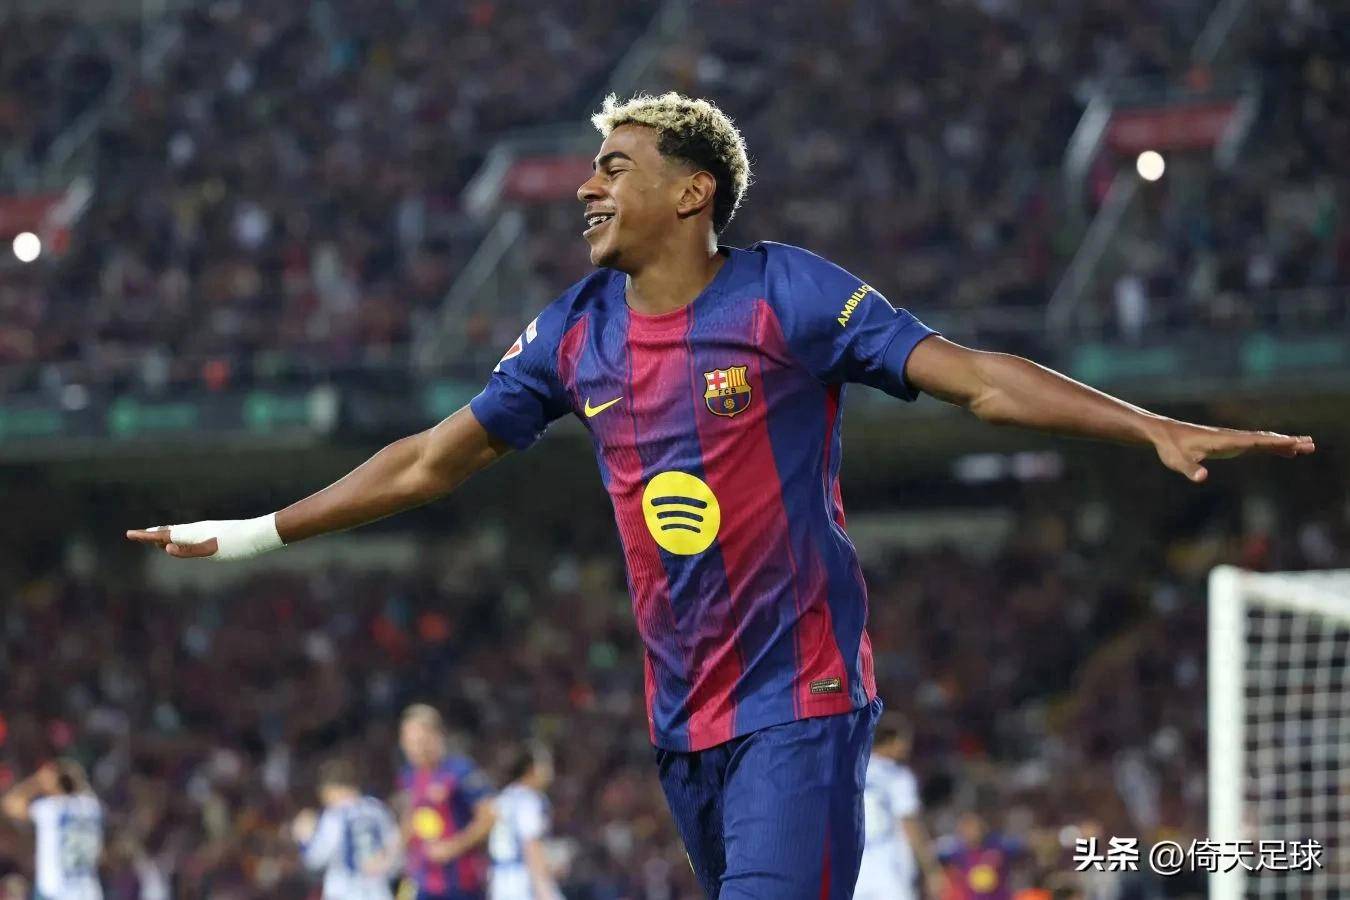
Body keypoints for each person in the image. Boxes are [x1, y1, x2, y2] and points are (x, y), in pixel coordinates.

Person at [128, 91, 1315, 898]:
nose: (587, 188)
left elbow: (977, 381)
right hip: (681, 722)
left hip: (799, 699)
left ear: (692, 191)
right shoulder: (573, 330)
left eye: (614, 167)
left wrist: (1147, 424)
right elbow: (433, 459)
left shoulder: (786, 295)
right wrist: (256, 533)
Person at [393, 705, 496, 900]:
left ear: (435, 737)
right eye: (408, 742)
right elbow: (412, 818)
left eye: (419, 741)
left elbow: (489, 817)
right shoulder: (408, 776)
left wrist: (454, 846)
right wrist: (393, 852)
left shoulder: (461, 771)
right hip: (423, 882)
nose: (412, 749)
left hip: (462, 883)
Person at [856, 715, 943, 900]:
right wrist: (931, 869)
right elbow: (909, 824)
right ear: (891, 741)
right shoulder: (897, 776)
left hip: (855, 869)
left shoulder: (853, 771)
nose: (907, 747)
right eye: (904, 740)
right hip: (889, 867)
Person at [292, 758, 402, 899]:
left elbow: (316, 857)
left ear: (331, 789)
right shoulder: (378, 809)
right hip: (379, 893)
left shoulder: (334, 815)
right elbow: (398, 849)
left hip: (344, 892)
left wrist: (304, 839)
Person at [1, 760, 104, 900]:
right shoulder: (92, 807)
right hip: (89, 891)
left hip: (57, 891)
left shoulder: (51, 809)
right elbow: (80, 788)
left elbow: (9, 804)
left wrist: (36, 781)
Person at [488, 744, 562, 900]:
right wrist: (543, 887)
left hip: (499, 879)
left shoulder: (505, 796)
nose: (550, 771)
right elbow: (530, 843)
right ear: (531, 769)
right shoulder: (529, 799)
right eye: (545, 766)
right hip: (522, 879)